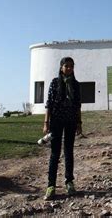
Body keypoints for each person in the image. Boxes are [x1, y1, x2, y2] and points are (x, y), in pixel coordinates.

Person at [43, 57, 82, 200]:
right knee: (55, 153)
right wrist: (46, 122)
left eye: (71, 66)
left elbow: (78, 105)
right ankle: (51, 185)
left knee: (69, 152)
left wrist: (79, 123)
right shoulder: (54, 83)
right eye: (66, 66)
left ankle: (69, 182)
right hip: (56, 121)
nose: (69, 68)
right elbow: (49, 104)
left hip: (71, 121)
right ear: (61, 67)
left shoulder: (76, 85)